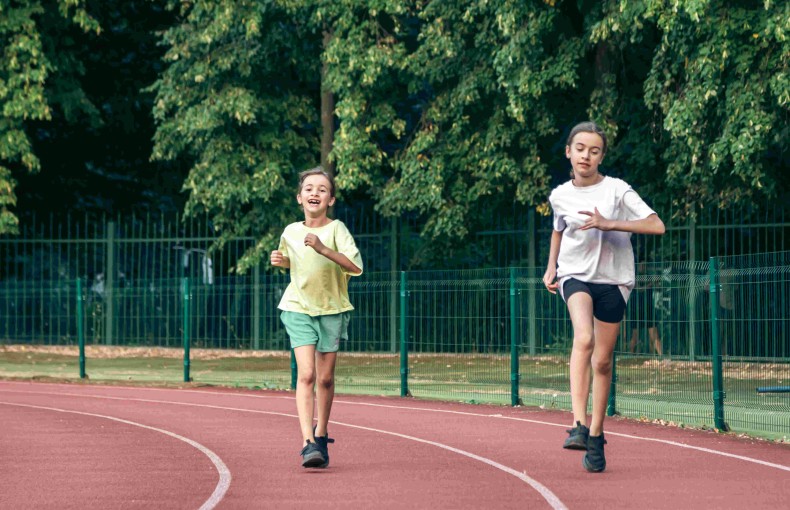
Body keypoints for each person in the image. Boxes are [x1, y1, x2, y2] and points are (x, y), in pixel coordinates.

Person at [543, 121, 665, 473]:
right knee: (583, 338)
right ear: (569, 151)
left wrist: (609, 224)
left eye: (594, 151)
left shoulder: (617, 191)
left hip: (614, 281)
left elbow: (656, 225)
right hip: (575, 276)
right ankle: (578, 425)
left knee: (603, 361)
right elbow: (558, 231)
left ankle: (596, 434)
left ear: (601, 156)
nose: (586, 155)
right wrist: (551, 268)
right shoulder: (560, 195)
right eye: (580, 148)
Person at [271, 167, 363, 468]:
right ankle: (307, 443)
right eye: (309, 188)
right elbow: (293, 263)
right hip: (298, 306)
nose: (315, 193)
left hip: (332, 309)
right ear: (300, 198)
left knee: (324, 378)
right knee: (306, 374)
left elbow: (355, 266)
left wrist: (324, 248)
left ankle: (321, 433)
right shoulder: (290, 231)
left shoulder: (337, 230)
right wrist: (281, 261)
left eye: (322, 189)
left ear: (331, 199)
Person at [628, 262, 663, 356]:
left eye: (645, 265)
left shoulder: (649, 276)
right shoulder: (634, 277)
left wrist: (657, 282)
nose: (643, 267)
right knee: (635, 337)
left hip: (649, 309)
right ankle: (629, 356)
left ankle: (661, 356)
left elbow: (659, 288)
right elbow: (639, 289)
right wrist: (652, 283)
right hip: (637, 309)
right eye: (641, 265)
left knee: (655, 336)